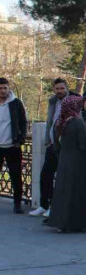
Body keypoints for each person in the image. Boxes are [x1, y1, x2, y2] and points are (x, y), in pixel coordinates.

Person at [47, 95, 86, 232]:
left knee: (62, 191)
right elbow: (84, 145)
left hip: (63, 160)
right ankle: (74, 223)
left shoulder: (60, 121)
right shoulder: (77, 123)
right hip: (77, 162)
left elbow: (55, 142)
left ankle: (59, 221)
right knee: (75, 192)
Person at [30, 78, 70, 217]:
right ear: (54, 89)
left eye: (62, 88)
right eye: (57, 88)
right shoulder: (53, 101)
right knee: (45, 175)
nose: (59, 91)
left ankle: (54, 207)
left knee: (60, 178)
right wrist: (48, 139)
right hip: (52, 145)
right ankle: (43, 204)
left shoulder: (71, 102)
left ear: (66, 88)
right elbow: (50, 121)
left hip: (64, 146)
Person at [0, 78, 28, 213]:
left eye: (5, 88)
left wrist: (20, 139)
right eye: (0, 88)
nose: (3, 91)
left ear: (8, 88)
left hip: (12, 146)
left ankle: (17, 204)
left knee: (16, 176)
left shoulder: (16, 103)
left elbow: (23, 121)